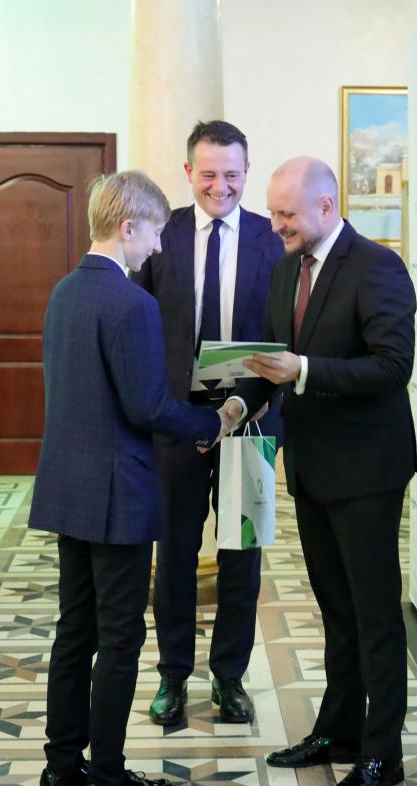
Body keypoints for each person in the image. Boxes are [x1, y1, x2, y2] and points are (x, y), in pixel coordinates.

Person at [29, 170, 229, 786]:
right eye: (155, 233)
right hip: (118, 495)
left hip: (69, 487)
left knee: (74, 631)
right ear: (128, 226)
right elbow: (147, 407)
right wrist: (211, 423)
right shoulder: (131, 303)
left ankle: (62, 768)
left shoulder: (63, 292)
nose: (159, 247)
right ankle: (107, 779)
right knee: (119, 638)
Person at [225, 157, 417, 786]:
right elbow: (272, 360)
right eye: (273, 212)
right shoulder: (287, 269)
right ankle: (338, 731)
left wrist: (304, 370)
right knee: (336, 609)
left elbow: (392, 367)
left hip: (366, 471)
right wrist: (238, 402)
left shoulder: (378, 266)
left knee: (374, 615)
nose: (276, 224)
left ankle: (382, 754)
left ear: (327, 206)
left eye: (287, 214)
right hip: (310, 466)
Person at [133, 120, 283, 726]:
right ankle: (173, 676)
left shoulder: (272, 238)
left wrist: (249, 400)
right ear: (188, 172)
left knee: (242, 553)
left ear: (247, 173)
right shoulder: (161, 233)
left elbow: (286, 333)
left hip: (251, 421)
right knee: (174, 551)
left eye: (232, 174)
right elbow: (138, 323)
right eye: (209, 173)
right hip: (178, 422)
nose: (220, 186)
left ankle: (229, 677)